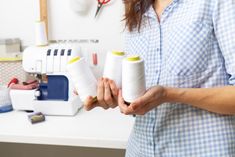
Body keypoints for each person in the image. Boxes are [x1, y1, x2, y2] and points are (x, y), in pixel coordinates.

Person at [84, 0, 235, 156]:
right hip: (140, 150)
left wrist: (168, 95)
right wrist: (113, 97)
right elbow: (138, 96)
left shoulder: (216, 3)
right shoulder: (137, 9)